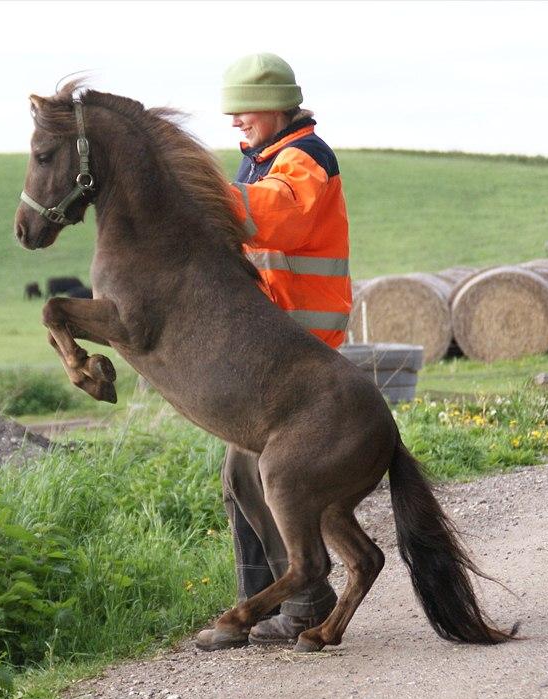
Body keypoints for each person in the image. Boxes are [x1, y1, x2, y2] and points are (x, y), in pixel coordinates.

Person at [196, 52, 352, 650]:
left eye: (245, 108)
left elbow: (277, 221)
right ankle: (258, 610)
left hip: (304, 344)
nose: (235, 118)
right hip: (273, 343)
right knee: (239, 475)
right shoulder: (260, 159)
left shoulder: (305, 159)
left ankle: (306, 603)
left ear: (280, 104)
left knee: (247, 468)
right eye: (230, 110)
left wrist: (195, 188)